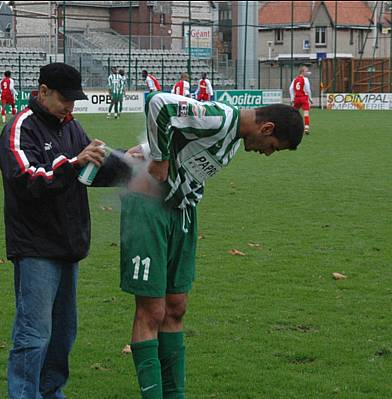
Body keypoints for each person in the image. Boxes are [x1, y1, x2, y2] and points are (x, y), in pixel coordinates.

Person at [122, 92, 304, 398]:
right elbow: (159, 104)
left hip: (182, 213)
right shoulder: (221, 118)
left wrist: (147, 149)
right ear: (267, 129)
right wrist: (159, 157)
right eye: (273, 148)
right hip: (149, 210)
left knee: (176, 307)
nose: (268, 154)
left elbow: (181, 134)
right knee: (152, 311)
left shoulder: (233, 140)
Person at [0, 63, 135, 399]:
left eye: (74, 99)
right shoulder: (19, 128)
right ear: (43, 92)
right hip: (35, 247)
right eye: (64, 99)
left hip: (68, 245)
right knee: (33, 334)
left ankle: (51, 392)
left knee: (62, 334)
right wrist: (73, 164)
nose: (70, 106)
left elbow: (92, 171)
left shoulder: (71, 126)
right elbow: (26, 180)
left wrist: (126, 161)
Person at [290, 65, 313, 134]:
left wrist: (292, 98)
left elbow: (291, 89)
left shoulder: (295, 79)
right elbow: (308, 90)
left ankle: (292, 127)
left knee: (294, 113)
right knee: (306, 113)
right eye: (306, 71)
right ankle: (306, 128)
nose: (307, 72)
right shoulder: (305, 79)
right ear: (302, 72)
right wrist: (310, 98)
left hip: (296, 98)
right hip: (304, 98)